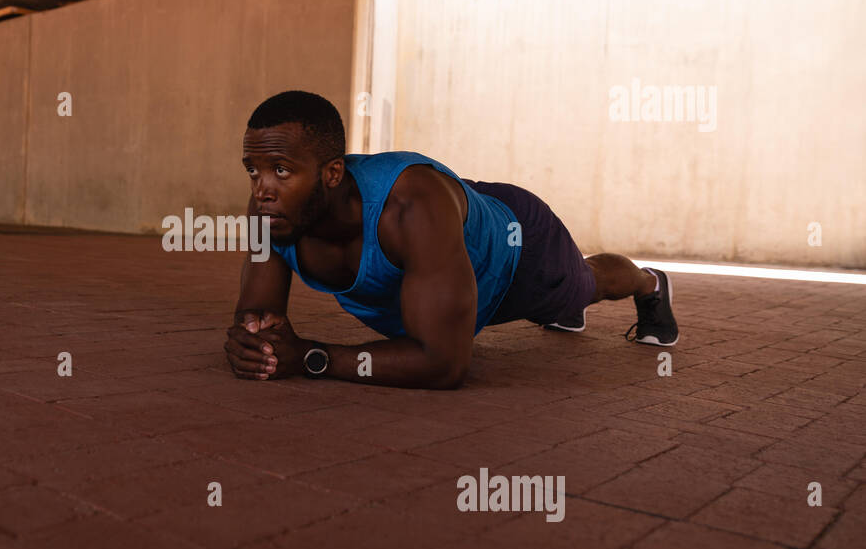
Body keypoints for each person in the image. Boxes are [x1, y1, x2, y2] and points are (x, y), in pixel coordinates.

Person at [224, 90, 678, 389]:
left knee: (587, 283)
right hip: (454, 234)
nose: (261, 189)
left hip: (518, 252)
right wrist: (253, 346)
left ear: (332, 173)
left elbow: (443, 364)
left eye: (281, 170)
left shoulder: (411, 206)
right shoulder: (272, 212)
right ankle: (565, 308)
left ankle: (649, 283)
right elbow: (258, 322)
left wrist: (309, 357)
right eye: (253, 170)